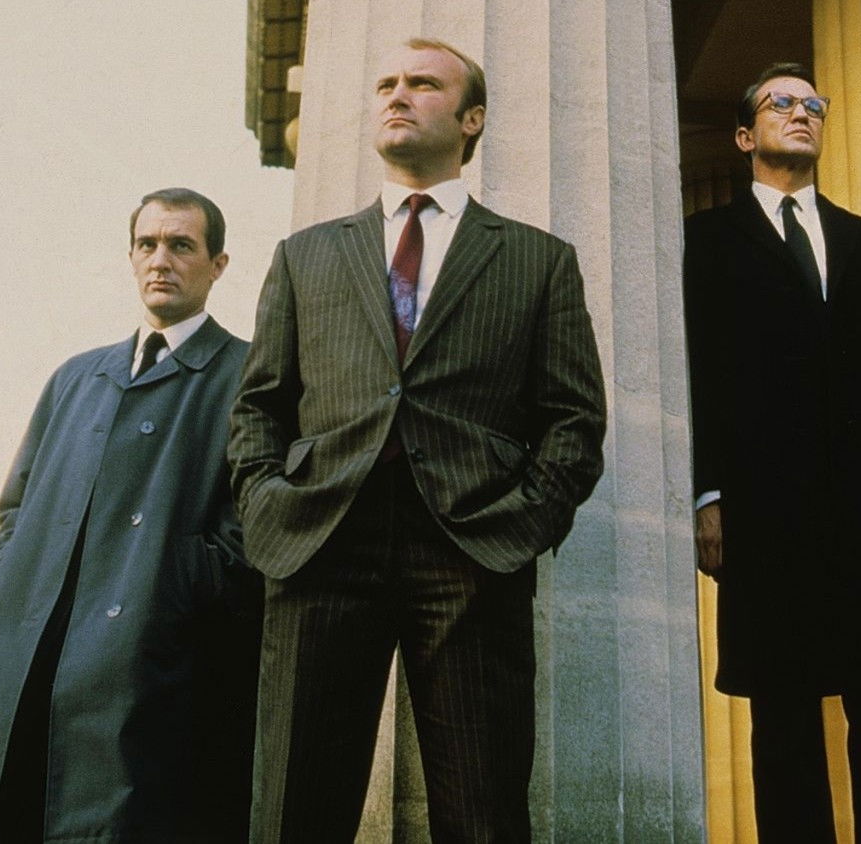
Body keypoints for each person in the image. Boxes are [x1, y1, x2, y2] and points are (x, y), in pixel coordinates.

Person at [228, 37, 606, 842]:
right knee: (296, 811)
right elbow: (259, 404)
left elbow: (575, 419)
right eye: (387, 84)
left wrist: (520, 526)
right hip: (320, 540)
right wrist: (266, 503)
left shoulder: (538, 260)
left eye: (424, 84)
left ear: (472, 120)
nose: (397, 95)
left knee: (483, 811)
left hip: (471, 548)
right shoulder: (305, 256)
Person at [683, 62, 861, 842]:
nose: (801, 112)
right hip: (765, 517)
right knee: (783, 726)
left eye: (812, 103)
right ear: (744, 136)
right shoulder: (701, 244)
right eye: (780, 103)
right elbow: (693, 375)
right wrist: (705, 494)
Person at [0, 189, 260, 843]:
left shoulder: (248, 374)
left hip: (149, 671)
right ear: (130, 257)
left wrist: (167, 587)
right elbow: (16, 509)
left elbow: (256, 525)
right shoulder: (76, 378)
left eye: (181, 245)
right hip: (27, 655)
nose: (160, 260)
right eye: (147, 244)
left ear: (218, 264)